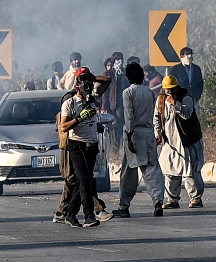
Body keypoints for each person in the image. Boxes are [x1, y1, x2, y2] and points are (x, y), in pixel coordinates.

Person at [59, 67, 111, 228]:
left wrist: (92, 77)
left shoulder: (93, 97)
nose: (86, 86)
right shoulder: (70, 102)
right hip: (77, 144)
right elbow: (63, 127)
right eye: (83, 82)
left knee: (84, 180)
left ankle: (70, 214)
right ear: (77, 84)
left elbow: (108, 80)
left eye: (88, 82)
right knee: (85, 179)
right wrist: (79, 118)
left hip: (91, 144)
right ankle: (89, 215)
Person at [112, 62, 165, 218]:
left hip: (134, 135)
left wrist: (129, 138)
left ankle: (124, 206)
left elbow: (129, 117)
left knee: (128, 173)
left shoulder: (128, 93)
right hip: (148, 134)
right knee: (152, 170)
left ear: (128, 77)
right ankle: (158, 202)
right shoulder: (148, 92)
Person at [155, 75, 205, 209]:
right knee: (169, 170)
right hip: (170, 142)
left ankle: (196, 198)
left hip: (186, 140)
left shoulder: (186, 98)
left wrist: (175, 103)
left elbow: (187, 114)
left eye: (171, 89)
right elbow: (156, 118)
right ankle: (172, 200)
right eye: (167, 89)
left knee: (190, 172)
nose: (169, 92)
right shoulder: (160, 100)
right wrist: (157, 133)